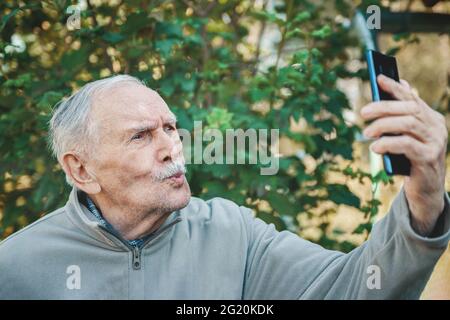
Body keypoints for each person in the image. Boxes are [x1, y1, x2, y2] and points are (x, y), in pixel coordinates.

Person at [0, 74, 448, 299]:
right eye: (141, 136)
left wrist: (424, 198)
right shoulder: (15, 268)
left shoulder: (233, 233)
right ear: (81, 171)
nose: (172, 148)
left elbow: (351, 288)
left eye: (171, 128)